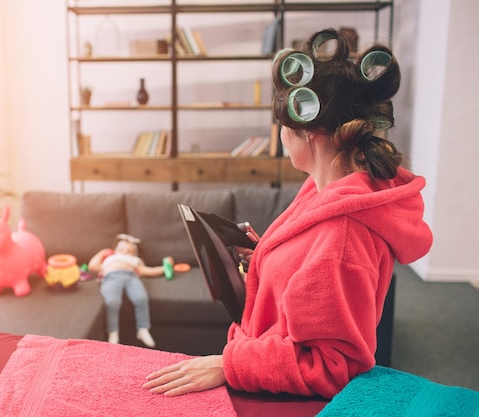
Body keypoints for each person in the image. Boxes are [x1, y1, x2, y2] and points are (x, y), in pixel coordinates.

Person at [143, 28, 433, 399]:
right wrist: (269, 258)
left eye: (283, 126)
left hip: (280, 398)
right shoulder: (325, 190)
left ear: (310, 132)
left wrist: (227, 365)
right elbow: (314, 277)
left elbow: (334, 366)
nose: (280, 136)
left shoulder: (345, 232)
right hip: (263, 379)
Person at [88, 233, 173, 348]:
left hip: (131, 278)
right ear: (115, 249)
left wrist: (166, 266)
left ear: (134, 252)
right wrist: (102, 253)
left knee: (141, 298)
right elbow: (93, 266)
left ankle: (142, 329)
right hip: (111, 278)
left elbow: (149, 270)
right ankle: (113, 332)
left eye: (129, 249)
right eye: (121, 248)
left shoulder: (135, 260)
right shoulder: (110, 258)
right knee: (112, 302)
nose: (124, 251)